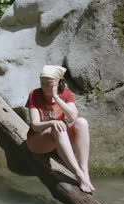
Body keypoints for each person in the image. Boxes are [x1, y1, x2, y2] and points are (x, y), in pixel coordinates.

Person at [25, 65, 95, 193]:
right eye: (42, 83)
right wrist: (51, 123)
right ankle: (79, 174)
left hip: (58, 140)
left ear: (58, 82)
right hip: (38, 142)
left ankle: (85, 170)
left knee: (82, 122)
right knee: (57, 127)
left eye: (49, 83)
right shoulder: (34, 94)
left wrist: (56, 98)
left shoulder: (65, 93)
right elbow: (35, 125)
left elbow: (73, 116)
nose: (45, 86)